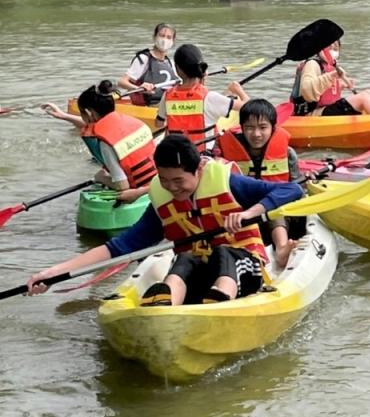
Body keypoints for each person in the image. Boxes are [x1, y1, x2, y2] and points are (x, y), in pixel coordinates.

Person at [27, 135, 304, 305]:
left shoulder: (227, 182)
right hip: (197, 272)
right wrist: (55, 273)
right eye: (164, 180)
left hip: (245, 266)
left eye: (179, 181)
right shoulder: (162, 200)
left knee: (222, 252)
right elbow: (118, 248)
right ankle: (166, 303)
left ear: (198, 170)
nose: (172, 188)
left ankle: (221, 298)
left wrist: (247, 213)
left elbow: (291, 189)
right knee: (184, 259)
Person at [217, 99, 303, 268]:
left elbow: (297, 186)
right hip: (240, 209)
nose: (256, 134)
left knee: (275, 209)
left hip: (273, 207)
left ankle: (281, 248)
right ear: (241, 128)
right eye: (250, 128)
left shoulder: (288, 153)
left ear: (273, 128)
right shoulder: (223, 151)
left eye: (263, 128)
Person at [41, 80, 157, 203]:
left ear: (89, 113)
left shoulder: (106, 144)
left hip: (139, 189)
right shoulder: (134, 123)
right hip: (156, 180)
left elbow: (123, 186)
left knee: (101, 175)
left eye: (82, 113)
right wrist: (63, 116)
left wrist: (101, 178)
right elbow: (93, 124)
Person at [156, 44, 248, 147]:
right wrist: (238, 90)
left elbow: (159, 124)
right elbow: (250, 107)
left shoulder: (167, 96)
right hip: (203, 157)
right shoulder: (210, 97)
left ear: (177, 70)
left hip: (176, 154)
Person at [290, 39, 370, 117]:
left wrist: (341, 84)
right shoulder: (312, 64)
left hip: (326, 108)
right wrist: (333, 75)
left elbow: (327, 90)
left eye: (335, 48)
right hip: (312, 113)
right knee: (363, 98)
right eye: (329, 47)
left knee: (368, 92)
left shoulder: (332, 66)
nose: (332, 50)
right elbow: (307, 90)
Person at [118, 23, 178, 107]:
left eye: (168, 37)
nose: (164, 40)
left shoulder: (171, 63)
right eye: (161, 35)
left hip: (167, 104)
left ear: (173, 41)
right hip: (149, 105)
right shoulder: (144, 59)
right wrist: (138, 88)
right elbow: (121, 82)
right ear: (154, 37)